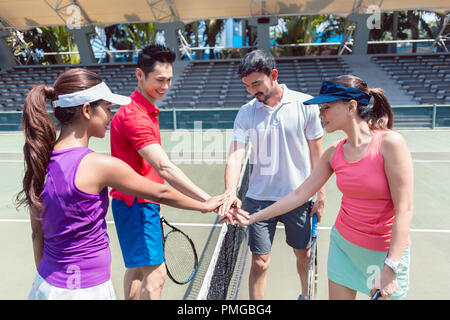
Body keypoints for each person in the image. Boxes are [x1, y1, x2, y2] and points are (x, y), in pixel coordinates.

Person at [16, 68, 225, 300]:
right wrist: (206, 204)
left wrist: (49, 281)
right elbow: (162, 192)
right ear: (87, 110)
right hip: (86, 290)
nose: (110, 116)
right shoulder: (99, 165)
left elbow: (37, 233)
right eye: (107, 109)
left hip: (45, 284)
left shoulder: (40, 160)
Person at [234, 75, 413, 300]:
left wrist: (391, 267)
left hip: (385, 254)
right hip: (344, 249)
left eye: (326, 108)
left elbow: (404, 209)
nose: (320, 114)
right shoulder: (333, 154)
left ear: (351, 106)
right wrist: (253, 218)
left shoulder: (390, 144)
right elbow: (299, 194)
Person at [109, 44, 235, 300]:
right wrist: (205, 200)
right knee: (156, 276)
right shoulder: (135, 117)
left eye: (168, 80)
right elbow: (164, 167)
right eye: (159, 80)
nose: (165, 86)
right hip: (137, 205)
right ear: (139, 75)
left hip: (135, 203)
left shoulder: (144, 110)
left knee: (136, 270)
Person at [220, 50, 326, 300]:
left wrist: (321, 195)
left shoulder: (305, 105)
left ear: (273, 75)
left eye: (256, 83)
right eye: (246, 85)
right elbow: (236, 155)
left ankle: (305, 295)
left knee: (304, 255)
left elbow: (318, 156)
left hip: (298, 198)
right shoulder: (246, 112)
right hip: (257, 199)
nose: (251, 90)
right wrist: (230, 191)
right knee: (259, 263)